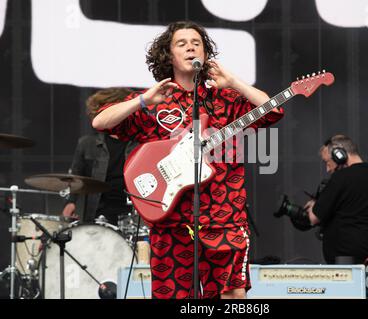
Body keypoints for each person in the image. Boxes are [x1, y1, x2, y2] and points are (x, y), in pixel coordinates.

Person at [91, 21, 284, 299]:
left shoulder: (225, 98)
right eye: (181, 43)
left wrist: (235, 83)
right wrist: (143, 100)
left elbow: (273, 111)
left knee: (233, 295)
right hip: (172, 221)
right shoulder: (158, 101)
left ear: (205, 54)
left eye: (197, 43)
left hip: (224, 216)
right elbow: (101, 121)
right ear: (168, 56)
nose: (191, 46)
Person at [305, 134, 368, 299]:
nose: (328, 169)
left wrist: (314, 205)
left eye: (328, 162)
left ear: (340, 155)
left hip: (354, 269)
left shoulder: (341, 178)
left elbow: (314, 218)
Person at [62, 88, 138, 225]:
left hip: (133, 217)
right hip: (97, 216)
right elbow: (74, 178)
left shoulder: (141, 143)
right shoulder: (87, 144)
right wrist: (70, 202)